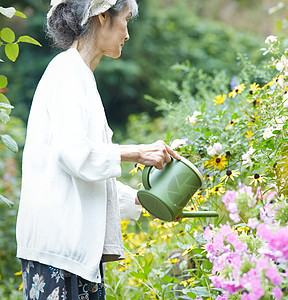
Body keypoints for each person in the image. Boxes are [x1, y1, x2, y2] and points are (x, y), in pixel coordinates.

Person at [15, 0, 182, 299]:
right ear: (103, 16)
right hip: (59, 250)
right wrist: (139, 152)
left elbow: (88, 173)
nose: (127, 33)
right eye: (126, 19)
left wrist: (148, 202)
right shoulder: (66, 71)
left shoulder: (80, 74)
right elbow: (75, 154)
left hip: (71, 252)